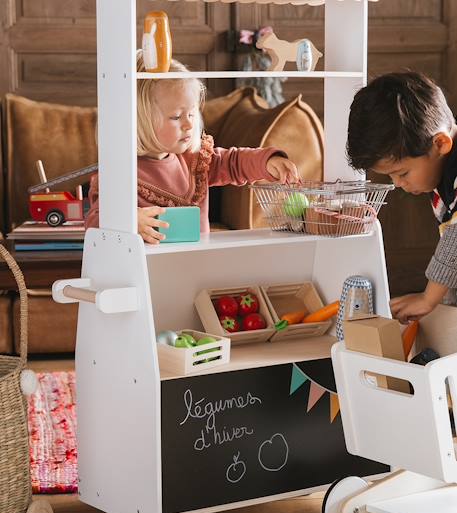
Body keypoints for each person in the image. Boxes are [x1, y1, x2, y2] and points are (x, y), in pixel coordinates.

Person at [85, 53, 300, 244]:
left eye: (192, 114)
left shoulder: (196, 159)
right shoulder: (119, 173)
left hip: (195, 269)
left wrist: (267, 162)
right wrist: (129, 221)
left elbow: (233, 163)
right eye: (176, 117)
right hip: (147, 275)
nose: (189, 124)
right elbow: (95, 221)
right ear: (137, 119)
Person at [346, 71, 457, 323]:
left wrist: (429, 299)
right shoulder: (442, 173)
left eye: (403, 173)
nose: (398, 184)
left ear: (440, 144)